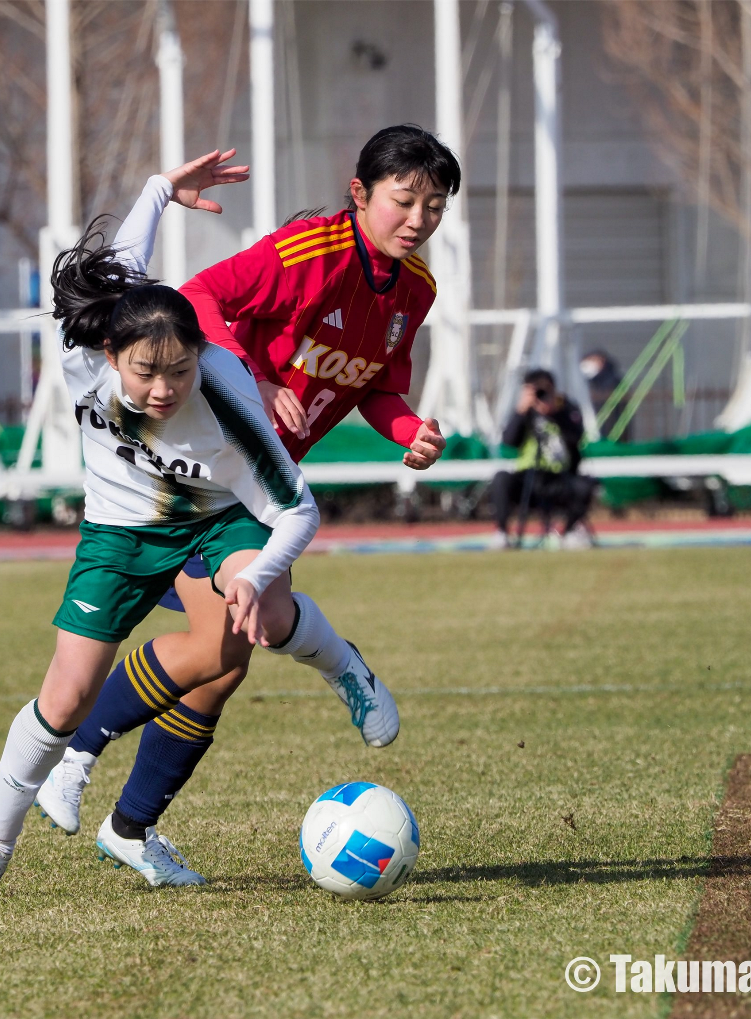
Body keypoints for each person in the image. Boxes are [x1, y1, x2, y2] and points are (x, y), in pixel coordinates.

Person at [34, 126, 460, 884]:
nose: (419, 218)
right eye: (405, 200)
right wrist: (250, 379)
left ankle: (130, 826)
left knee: (224, 663)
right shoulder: (306, 254)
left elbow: (378, 385)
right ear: (359, 194)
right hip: (194, 480)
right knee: (233, 637)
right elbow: (195, 298)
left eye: (434, 205)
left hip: (251, 488)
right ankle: (80, 756)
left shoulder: (415, 289)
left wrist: (409, 431)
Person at [0, 150, 333, 899]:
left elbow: (297, 508)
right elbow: (125, 263)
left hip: (212, 521)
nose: (164, 388)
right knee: (63, 698)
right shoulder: (82, 350)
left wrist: (254, 575)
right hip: (119, 534)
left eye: (180, 370)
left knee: (232, 646)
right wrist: (159, 189)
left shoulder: (225, 391)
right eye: (144, 372)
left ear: (200, 356)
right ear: (108, 352)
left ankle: (338, 666)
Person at [490, 368, 596, 549]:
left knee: (586, 484)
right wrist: (521, 412)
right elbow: (508, 441)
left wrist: (556, 413)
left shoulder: (566, 407)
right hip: (527, 478)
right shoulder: (524, 412)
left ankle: (569, 532)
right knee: (501, 479)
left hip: (559, 477)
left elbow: (576, 439)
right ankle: (501, 533)